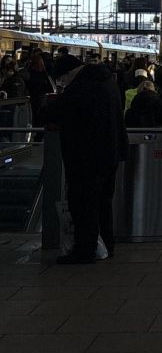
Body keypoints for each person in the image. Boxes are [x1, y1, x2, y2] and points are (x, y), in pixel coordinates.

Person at [52, 59, 128, 264]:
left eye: (61, 79)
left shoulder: (82, 86)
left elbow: (55, 112)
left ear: (68, 73)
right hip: (110, 153)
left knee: (84, 204)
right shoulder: (107, 82)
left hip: (87, 156)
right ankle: (107, 245)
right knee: (103, 203)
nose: (62, 84)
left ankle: (85, 250)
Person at [24, 53, 54, 125]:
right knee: (39, 117)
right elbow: (51, 88)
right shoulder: (45, 74)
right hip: (41, 98)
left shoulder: (28, 73)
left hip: (30, 98)